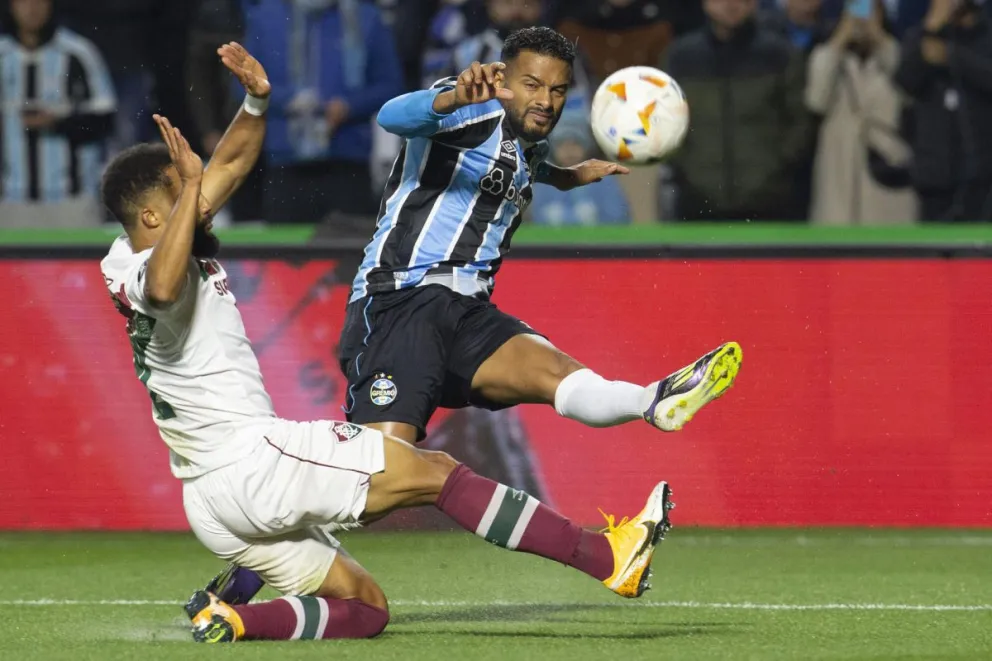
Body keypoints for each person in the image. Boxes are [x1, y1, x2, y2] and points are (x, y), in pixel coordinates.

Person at [99, 42, 676, 644]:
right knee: (433, 472)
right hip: (250, 460)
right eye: (183, 197)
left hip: (213, 503)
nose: (203, 204)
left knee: (366, 609)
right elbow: (165, 289)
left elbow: (229, 169)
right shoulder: (137, 271)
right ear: (150, 220)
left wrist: (255, 102)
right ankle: (605, 556)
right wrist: (192, 184)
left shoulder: (165, 234)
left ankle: (233, 615)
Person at [0, 0, 116, 228]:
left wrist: (59, 123)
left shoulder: (79, 54)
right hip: (8, 201)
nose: (32, 8)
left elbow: (105, 120)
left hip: (70, 201)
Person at [805, 0, 917, 224]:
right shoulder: (827, 56)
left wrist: (878, 37)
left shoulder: (898, 53)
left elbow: (910, 88)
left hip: (886, 172)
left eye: (870, 10)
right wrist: (840, 38)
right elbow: (816, 101)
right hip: (839, 173)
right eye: (856, 9)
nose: (862, 18)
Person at [894, 0, 992, 221]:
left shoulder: (987, 35)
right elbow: (904, 80)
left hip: (984, 179)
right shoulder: (920, 36)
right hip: (935, 179)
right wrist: (931, 27)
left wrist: (952, 57)